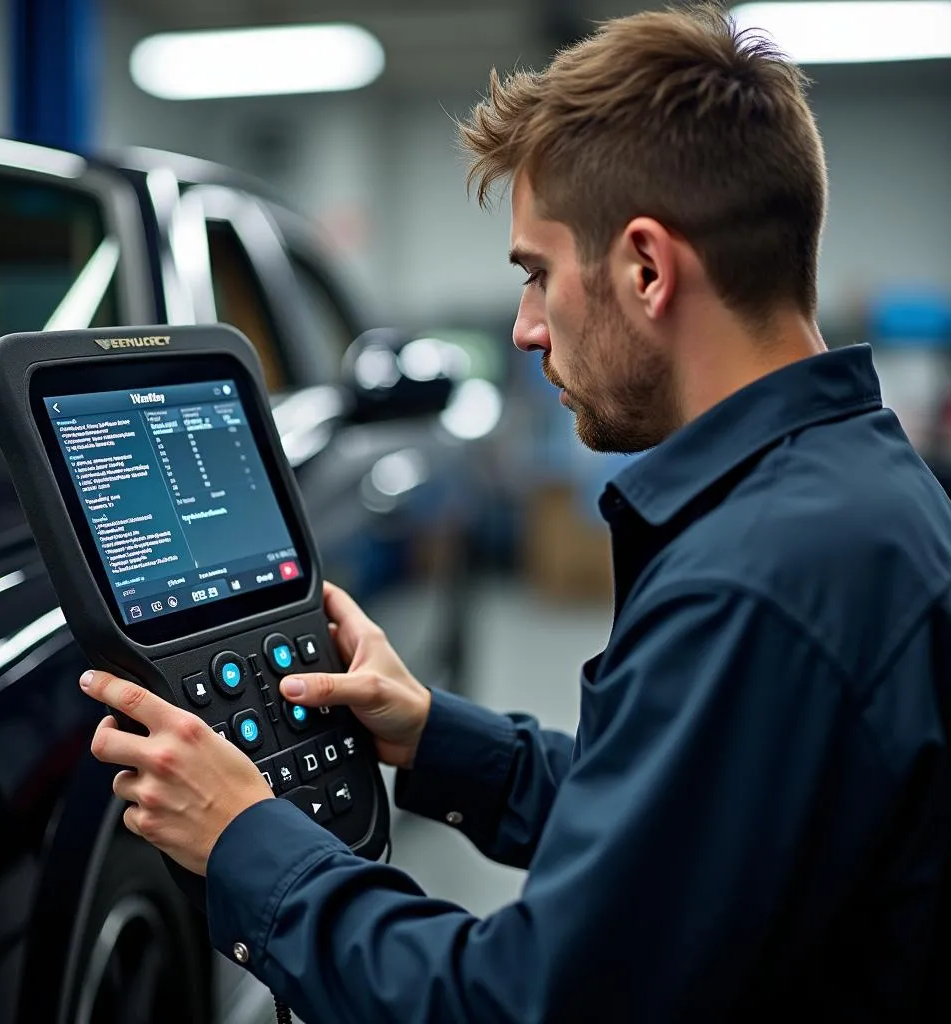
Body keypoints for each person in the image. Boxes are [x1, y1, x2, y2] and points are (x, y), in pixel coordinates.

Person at [79, 4, 951, 1020]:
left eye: (536, 275)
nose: (527, 330)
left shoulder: (756, 581)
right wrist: (436, 737)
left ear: (646, 268)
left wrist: (245, 838)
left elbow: (517, 1002)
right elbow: (684, 831)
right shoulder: (850, 493)